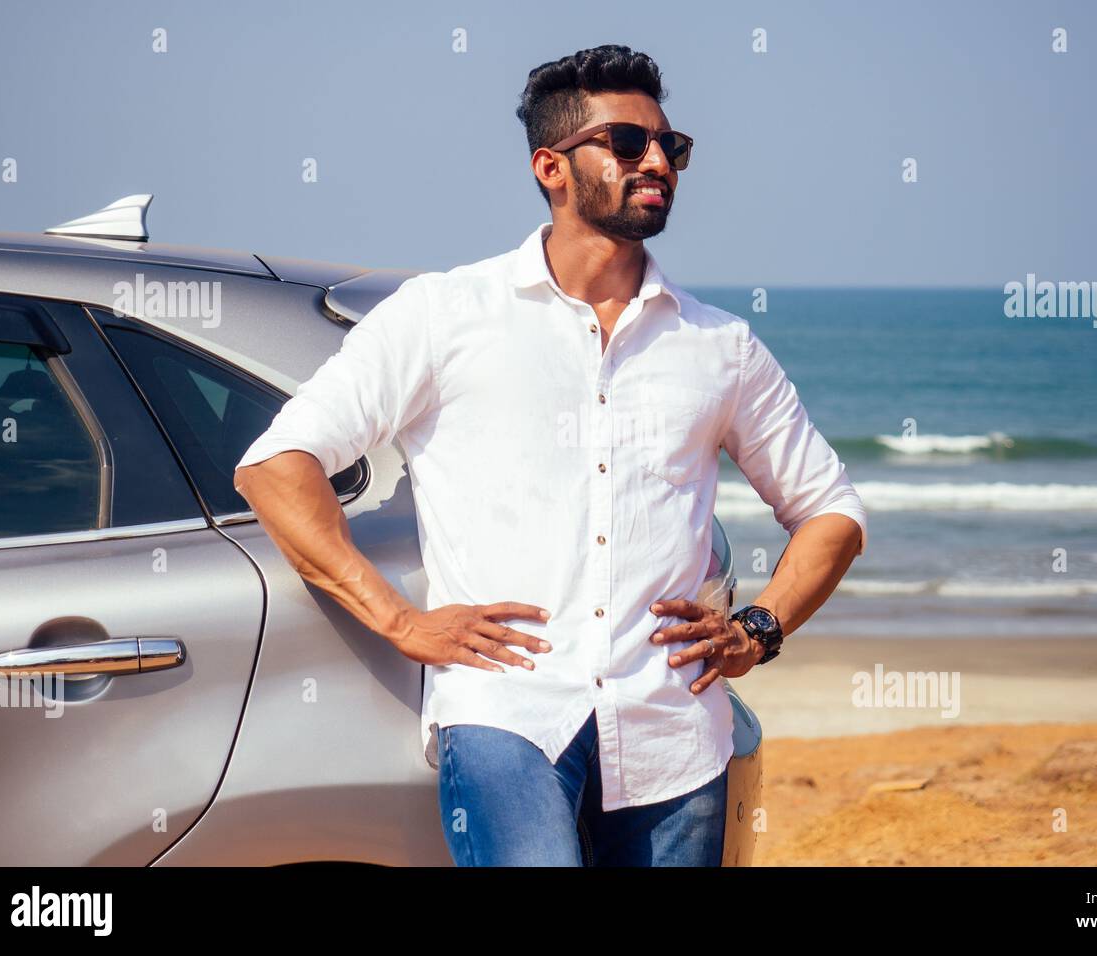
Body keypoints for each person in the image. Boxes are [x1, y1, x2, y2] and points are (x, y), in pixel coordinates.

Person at [233, 43, 867, 866]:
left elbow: (832, 513)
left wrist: (757, 629)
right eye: (629, 143)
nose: (659, 164)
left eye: (669, 147)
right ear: (552, 167)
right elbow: (277, 466)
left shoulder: (721, 346)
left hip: (673, 733)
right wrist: (397, 618)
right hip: (508, 719)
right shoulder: (445, 315)